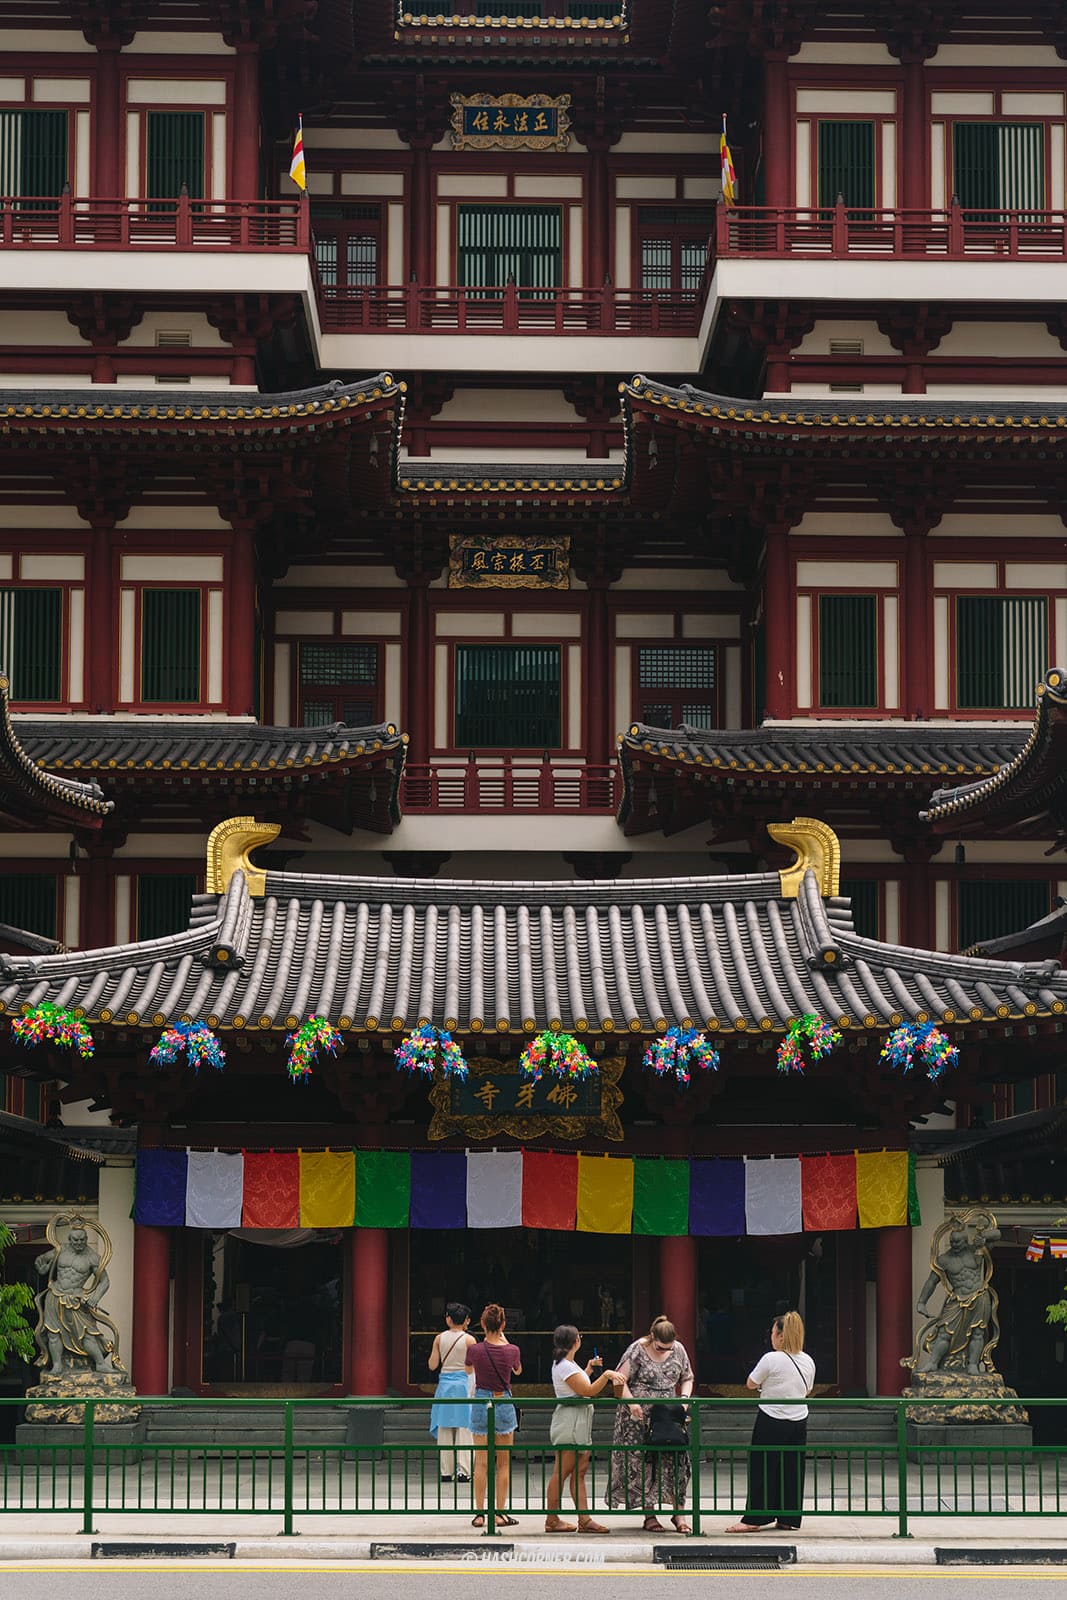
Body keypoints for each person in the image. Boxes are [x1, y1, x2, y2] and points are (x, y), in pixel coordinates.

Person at [726, 1309, 815, 1533]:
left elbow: (751, 1383)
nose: (771, 1336)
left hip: (771, 1418)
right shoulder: (807, 1360)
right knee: (792, 1469)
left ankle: (755, 1518)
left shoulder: (771, 1358)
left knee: (763, 1467)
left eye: (773, 1332)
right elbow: (809, 1389)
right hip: (799, 1419)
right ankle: (789, 1518)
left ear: (781, 1336)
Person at [608, 1314, 694, 1535]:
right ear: (652, 1337)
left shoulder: (679, 1350)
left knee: (676, 1461)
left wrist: (684, 1399)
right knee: (644, 1464)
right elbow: (620, 1379)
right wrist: (632, 1403)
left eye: (668, 1348)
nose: (665, 1351)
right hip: (639, 1418)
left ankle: (679, 1513)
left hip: (668, 1415)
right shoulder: (637, 1349)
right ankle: (649, 1514)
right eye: (660, 1347)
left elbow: (687, 1377)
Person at [544, 1325, 622, 1534]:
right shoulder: (564, 1366)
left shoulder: (566, 1364)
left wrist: (588, 1369)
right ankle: (552, 1519)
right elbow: (587, 1390)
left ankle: (584, 1519)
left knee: (578, 1471)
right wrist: (605, 1376)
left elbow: (578, 1385)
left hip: (579, 1420)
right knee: (562, 1471)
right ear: (575, 1342)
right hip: (571, 1421)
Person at [33, 1222, 124, 1376]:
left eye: (82, 1240)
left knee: (87, 1333)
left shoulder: (93, 1257)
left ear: (87, 1239)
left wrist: (94, 1298)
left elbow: (105, 1281)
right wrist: (43, 1267)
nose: (79, 1243)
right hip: (55, 1295)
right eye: (75, 1240)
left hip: (76, 1299)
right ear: (69, 1239)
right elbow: (40, 1260)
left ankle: (100, 1363)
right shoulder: (60, 1250)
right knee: (53, 1333)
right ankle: (57, 1365)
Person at [467, 1303, 522, 1527]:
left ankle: (480, 1514)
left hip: (482, 1401)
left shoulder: (475, 1350)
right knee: (504, 1463)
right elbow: (518, 1370)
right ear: (503, 1324)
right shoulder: (512, 1350)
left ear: (482, 1324)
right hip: (503, 1401)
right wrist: (505, 1340)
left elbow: (468, 1370)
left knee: (481, 1462)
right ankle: (500, 1513)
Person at [428, 1302, 477, 1483]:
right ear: (466, 1321)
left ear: (448, 1319)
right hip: (463, 1386)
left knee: (445, 1428)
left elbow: (433, 1365)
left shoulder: (439, 1338)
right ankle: (464, 1471)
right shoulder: (470, 1340)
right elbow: (473, 1367)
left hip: (445, 1387)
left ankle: (446, 1471)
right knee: (464, 1429)